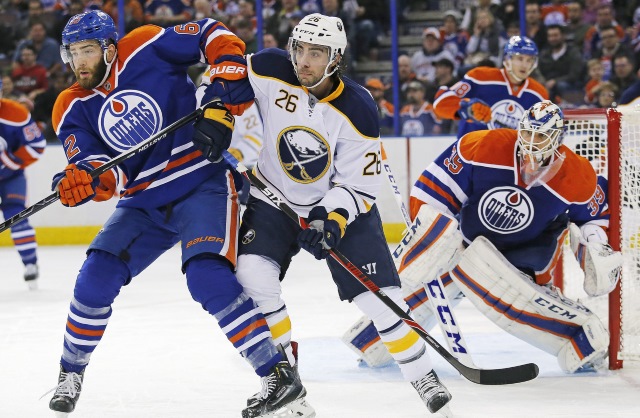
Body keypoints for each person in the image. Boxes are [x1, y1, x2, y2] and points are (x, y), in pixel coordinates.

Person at [45, 11, 311, 418]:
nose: (79, 62)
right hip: (143, 201)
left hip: (201, 180)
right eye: (72, 53)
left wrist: (219, 95)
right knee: (94, 277)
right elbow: (105, 171)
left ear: (110, 48)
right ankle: (70, 372)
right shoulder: (70, 106)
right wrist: (83, 181)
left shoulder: (145, 45)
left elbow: (209, 32)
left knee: (207, 276)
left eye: (87, 50)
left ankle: (277, 373)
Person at [195, 12, 453, 415]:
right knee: (251, 277)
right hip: (273, 197)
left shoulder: (359, 108)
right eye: (299, 49)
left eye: (316, 53)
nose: (304, 61)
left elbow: (359, 185)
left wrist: (330, 219)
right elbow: (220, 78)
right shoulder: (268, 67)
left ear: (335, 59)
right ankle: (286, 384)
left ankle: (422, 376)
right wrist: (213, 106)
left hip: (338, 207)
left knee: (383, 302)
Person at [408, 101, 621, 373]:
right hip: (469, 242)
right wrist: (431, 236)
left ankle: (579, 336)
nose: (532, 142)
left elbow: (592, 216)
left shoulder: (577, 176)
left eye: (541, 135)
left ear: (557, 138)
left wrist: (596, 245)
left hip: (530, 253)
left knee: (492, 280)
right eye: (528, 133)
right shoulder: (482, 146)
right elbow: (434, 189)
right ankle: (382, 334)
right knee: (448, 270)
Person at [433, 35, 548, 139]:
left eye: (529, 60)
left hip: (509, 159)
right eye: (520, 59)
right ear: (507, 59)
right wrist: (467, 108)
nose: (525, 65)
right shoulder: (480, 77)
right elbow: (440, 102)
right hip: (472, 155)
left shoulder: (539, 94)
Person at [0, 76, 45, 290]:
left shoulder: (16, 113)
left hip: (11, 176)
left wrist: (8, 162)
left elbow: (37, 145)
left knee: (17, 217)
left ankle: (30, 264)